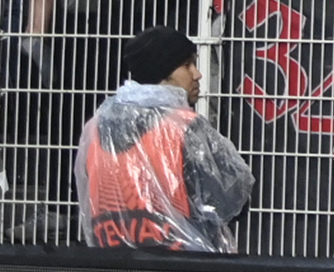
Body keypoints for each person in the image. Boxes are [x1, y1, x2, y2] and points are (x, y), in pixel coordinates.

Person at [79, 23, 252, 252]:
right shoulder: (184, 128)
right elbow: (231, 199)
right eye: (187, 65)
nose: (197, 74)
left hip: (111, 264)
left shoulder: (96, 126)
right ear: (163, 72)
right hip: (181, 269)